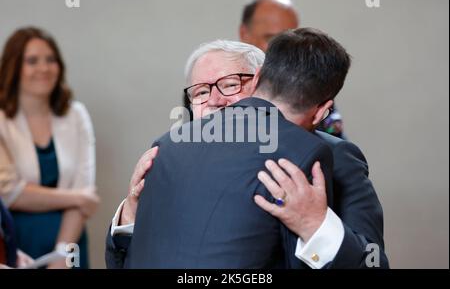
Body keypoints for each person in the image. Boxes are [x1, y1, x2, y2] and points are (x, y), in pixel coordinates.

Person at [107, 29, 388, 268]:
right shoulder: (169, 156)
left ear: (259, 83)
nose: (215, 100)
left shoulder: (334, 156)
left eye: (229, 85)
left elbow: (372, 260)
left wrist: (317, 227)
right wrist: (132, 215)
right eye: (201, 92)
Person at [0, 27, 100, 269]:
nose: (44, 68)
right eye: (32, 61)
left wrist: (61, 254)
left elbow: (83, 186)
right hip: (17, 245)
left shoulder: (76, 115)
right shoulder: (2, 119)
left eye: (51, 59)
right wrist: (77, 197)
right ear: (14, 67)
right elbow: (8, 193)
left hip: (71, 243)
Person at [239, 0, 345, 138]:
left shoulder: (310, 85)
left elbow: (335, 147)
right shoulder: (218, 89)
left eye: (290, 38)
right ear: (244, 34)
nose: (283, 48)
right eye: (272, 39)